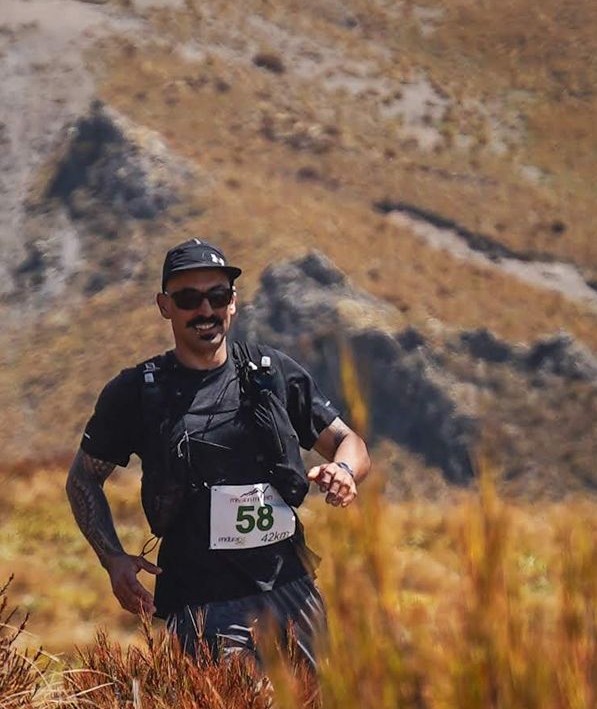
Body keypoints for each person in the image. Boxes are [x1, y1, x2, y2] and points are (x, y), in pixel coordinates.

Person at [66, 238, 370, 664]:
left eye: (217, 296)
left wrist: (344, 470)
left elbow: (348, 442)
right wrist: (112, 558)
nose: (205, 311)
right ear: (164, 306)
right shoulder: (137, 393)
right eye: (189, 299)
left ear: (233, 303)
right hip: (201, 605)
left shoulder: (272, 373)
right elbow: (83, 478)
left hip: (292, 591)